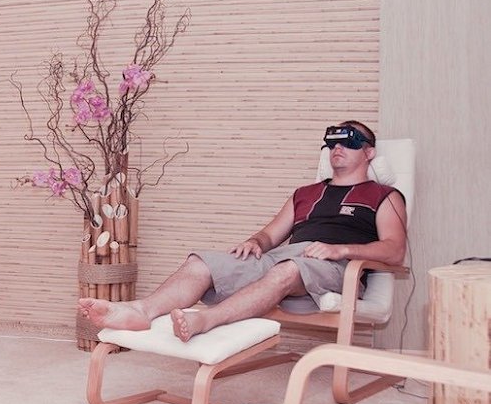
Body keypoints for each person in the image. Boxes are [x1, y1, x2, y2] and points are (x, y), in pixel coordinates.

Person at [78, 120, 407, 342]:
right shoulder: (305, 193)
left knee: (288, 270)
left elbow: (395, 249)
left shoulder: (384, 195)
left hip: (335, 266)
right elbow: (270, 236)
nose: (338, 148)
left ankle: (206, 321)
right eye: (332, 142)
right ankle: (141, 311)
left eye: (350, 141)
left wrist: (342, 250)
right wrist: (255, 241)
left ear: (369, 152)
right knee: (200, 263)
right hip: (284, 258)